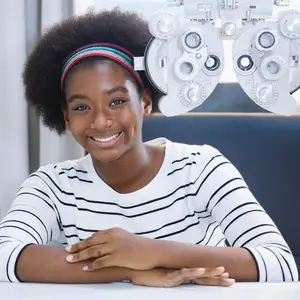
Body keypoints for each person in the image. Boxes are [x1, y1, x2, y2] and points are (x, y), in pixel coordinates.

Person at [0, 8, 298, 286]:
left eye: (117, 101)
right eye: (81, 107)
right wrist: (132, 271)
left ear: (144, 101)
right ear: (65, 117)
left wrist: (154, 251)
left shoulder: (201, 167)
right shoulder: (52, 184)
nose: (101, 121)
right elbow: (4, 256)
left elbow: (281, 264)